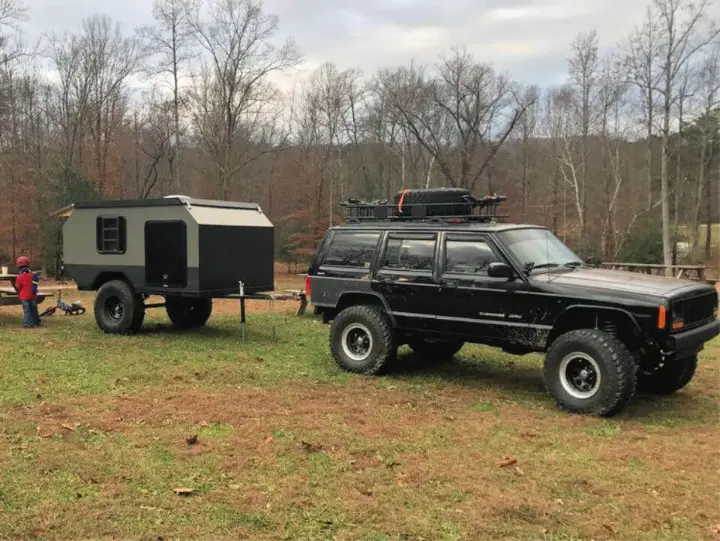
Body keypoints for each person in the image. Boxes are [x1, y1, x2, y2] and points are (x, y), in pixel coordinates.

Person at [14, 256, 40, 328]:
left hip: (24, 296)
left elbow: (18, 287)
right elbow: (36, 281)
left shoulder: (19, 276)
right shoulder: (33, 274)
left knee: (27, 310)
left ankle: (27, 324)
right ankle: (36, 322)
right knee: (34, 309)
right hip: (33, 295)